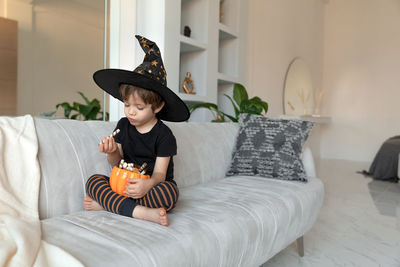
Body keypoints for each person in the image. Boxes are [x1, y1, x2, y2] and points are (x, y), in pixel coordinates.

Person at [83, 35, 190, 226]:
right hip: (124, 185)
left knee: (169, 194)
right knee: (93, 181)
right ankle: (140, 212)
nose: (131, 112)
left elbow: (160, 175)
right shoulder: (123, 125)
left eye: (139, 108)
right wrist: (112, 151)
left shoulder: (164, 135)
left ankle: (111, 205)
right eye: (126, 105)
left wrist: (147, 185)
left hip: (150, 187)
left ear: (157, 107)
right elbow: (116, 164)